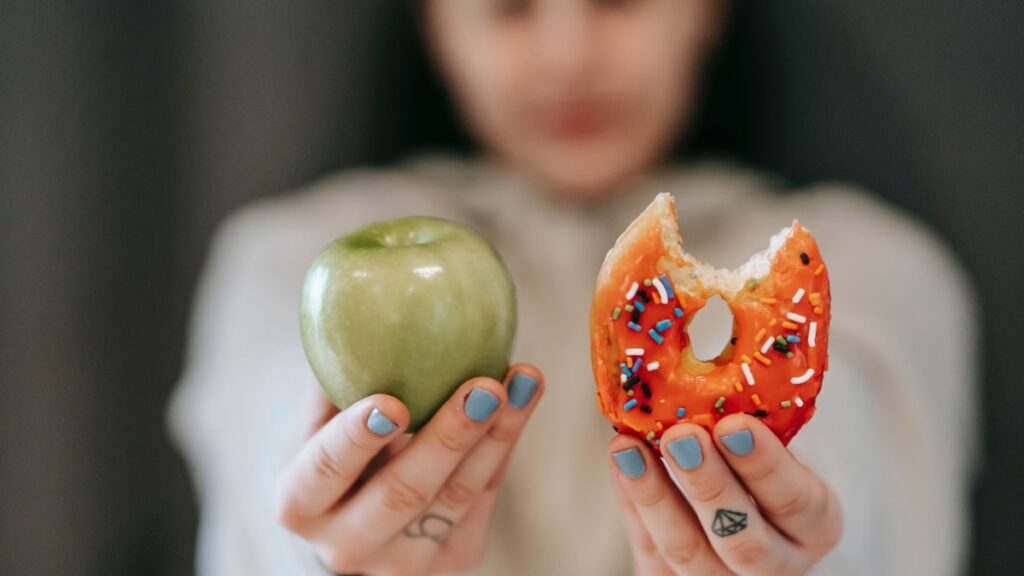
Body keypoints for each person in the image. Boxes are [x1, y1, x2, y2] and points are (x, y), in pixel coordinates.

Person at [167, 0, 978, 574]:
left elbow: (861, 467)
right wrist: (322, 545)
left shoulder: (875, 263)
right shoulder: (281, 257)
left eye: (618, 0)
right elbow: (266, 438)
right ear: (435, 25)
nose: (568, 56)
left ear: (707, 10)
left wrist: (797, 551)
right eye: (510, 7)